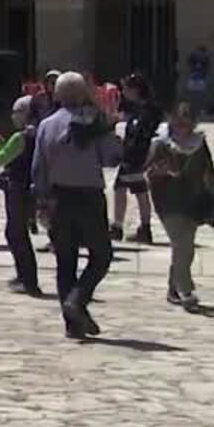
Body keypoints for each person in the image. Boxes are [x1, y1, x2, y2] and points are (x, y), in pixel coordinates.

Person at [33, 72, 123, 340]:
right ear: (84, 93)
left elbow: (38, 167)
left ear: (58, 94)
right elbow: (111, 157)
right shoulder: (93, 121)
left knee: (65, 261)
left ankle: (72, 323)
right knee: (101, 255)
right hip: (88, 197)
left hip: (58, 198)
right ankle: (78, 299)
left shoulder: (46, 125)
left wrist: (41, 200)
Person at [146, 102, 212, 311]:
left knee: (185, 248)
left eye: (186, 121)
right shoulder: (161, 143)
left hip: (193, 202)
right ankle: (186, 291)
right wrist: (163, 172)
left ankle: (173, 288)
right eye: (178, 122)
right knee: (183, 245)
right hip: (168, 202)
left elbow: (209, 172)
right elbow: (148, 172)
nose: (182, 126)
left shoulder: (198, 143)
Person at [0, 96, 42, 297]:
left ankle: (29, 280)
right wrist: (2, 142)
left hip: (17, 189)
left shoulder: (21, 137)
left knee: (16, 234)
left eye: (16, 112)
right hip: (30, 188)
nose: (13, 116)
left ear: (25, 114)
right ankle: (23, 276)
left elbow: (0, 158)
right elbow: (14, 154)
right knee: (17, 232)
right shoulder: (37, 133)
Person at [112, 72, 161, 244]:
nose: (123, 92)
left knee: (130, 189)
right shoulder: (137, 109)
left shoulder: (148, 110)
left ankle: (124, 227)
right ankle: (136, 227)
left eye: (126, 89)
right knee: (132, 189)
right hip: (133, 155)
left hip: (137, 156)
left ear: (136, 90)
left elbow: (144, 135)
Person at [186, 46, 211, 123]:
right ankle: (195, 112)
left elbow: (207, 67)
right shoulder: (203, 57)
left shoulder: (202, 57)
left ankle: (195, 112)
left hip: (198, 78)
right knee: (197, 96)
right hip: (197, 77)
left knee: (196, 96)